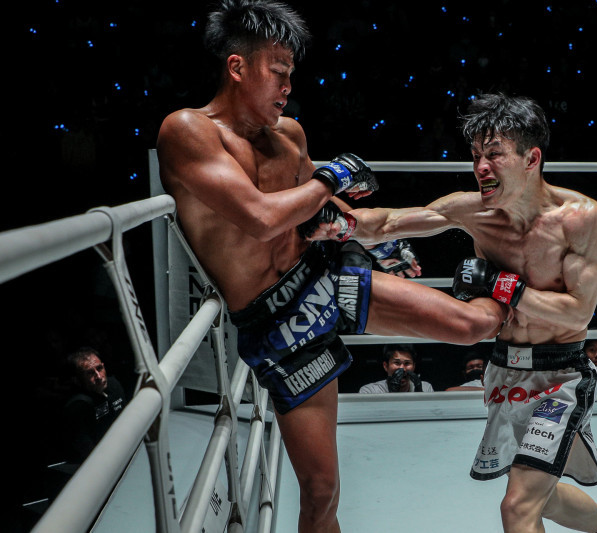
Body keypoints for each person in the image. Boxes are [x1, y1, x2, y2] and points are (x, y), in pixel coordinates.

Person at [156, 2, 507, 531]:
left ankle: (527, 306)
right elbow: (260, 217)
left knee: (471, 325)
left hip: (322, 276)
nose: (287, 87)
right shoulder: (187, 131)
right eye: (277, 71)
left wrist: (372, 240)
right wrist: (332, 176)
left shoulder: (290, 135)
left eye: (290, 74)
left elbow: (321, 209)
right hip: (279, 325)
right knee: (321, 492)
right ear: (237, 67)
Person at [309, 93, 597, 532]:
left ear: (531, 158)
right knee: (537, 493)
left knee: (517, 506)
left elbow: (577, 314)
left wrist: (502, 285)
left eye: (495, 154)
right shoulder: (473, 211)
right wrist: (342, 225)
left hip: (561, 375)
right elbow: (388, 222)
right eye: (476, 156)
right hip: (504, 370)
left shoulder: (581, 218)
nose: (481, 167)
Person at [61, 347, 126, 463]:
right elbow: (87, 450)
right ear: (77, 379)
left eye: (99, 368)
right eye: (90, 373)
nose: (99, 377)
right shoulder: (79, 406)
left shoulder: (114, 385)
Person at [358, 344, 434, 393]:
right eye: (397, 363)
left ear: (414, 366)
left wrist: (420, 398)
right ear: (386, 366)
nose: (402, 369)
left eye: (407, 363)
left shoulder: (426, 388)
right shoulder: (370, 391)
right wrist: (392, 395)